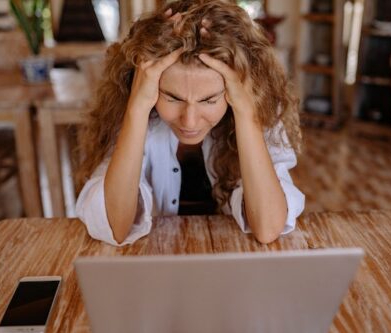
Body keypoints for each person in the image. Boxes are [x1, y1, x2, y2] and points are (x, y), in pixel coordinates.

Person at [76, 0, 304, 246]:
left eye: (209, 100)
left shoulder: (257, 110)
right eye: (173, 97)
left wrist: (246, 114)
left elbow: (268, 228)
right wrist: (137, 108)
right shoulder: (130, 110)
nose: (190, 120)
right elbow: (115, 228)